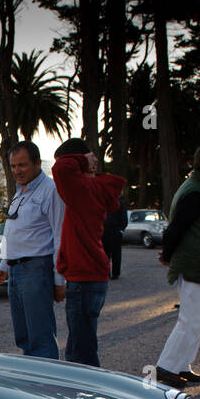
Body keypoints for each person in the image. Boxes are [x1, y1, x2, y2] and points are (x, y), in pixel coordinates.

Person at [153, 146, 200, 389]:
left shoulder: (197, 188)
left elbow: (177, 226)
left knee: (196, 318)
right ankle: (166, 367)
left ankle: (181, 365)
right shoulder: (196, 192)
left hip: (196, 261)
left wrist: (168, 253)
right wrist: (167, 254)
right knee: (190, 319)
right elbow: (177, 227)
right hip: (193, 261)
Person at [50, 137, 126, 367]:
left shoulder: (83, 191)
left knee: (81, 351)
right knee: (81, 343)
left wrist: (83, 159)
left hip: (84, 278)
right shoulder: (96, 188)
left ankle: (88, 396)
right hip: (91, 276)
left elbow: (60, 168)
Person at [0, 141, 66, 359]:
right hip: (16, 271)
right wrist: (4, 265)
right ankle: (31, 383)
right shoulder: (20, 192)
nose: (16, 171)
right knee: (23, 336)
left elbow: (60, 236)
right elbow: (15, 231)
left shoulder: (51, 191)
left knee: (40, 337)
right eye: (13, 166)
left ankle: (45, 385)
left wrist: (59, 281)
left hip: (36, 270)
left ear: (38, 163)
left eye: (22, 165)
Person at [103, 190, 125, 279]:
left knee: (106, 254)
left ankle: (107, 272)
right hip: (114, 231)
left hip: (108, 231)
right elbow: (124, 219)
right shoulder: (120, 204)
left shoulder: (106, 203)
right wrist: (121, 229)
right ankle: (115, 273)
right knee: (116, 254)